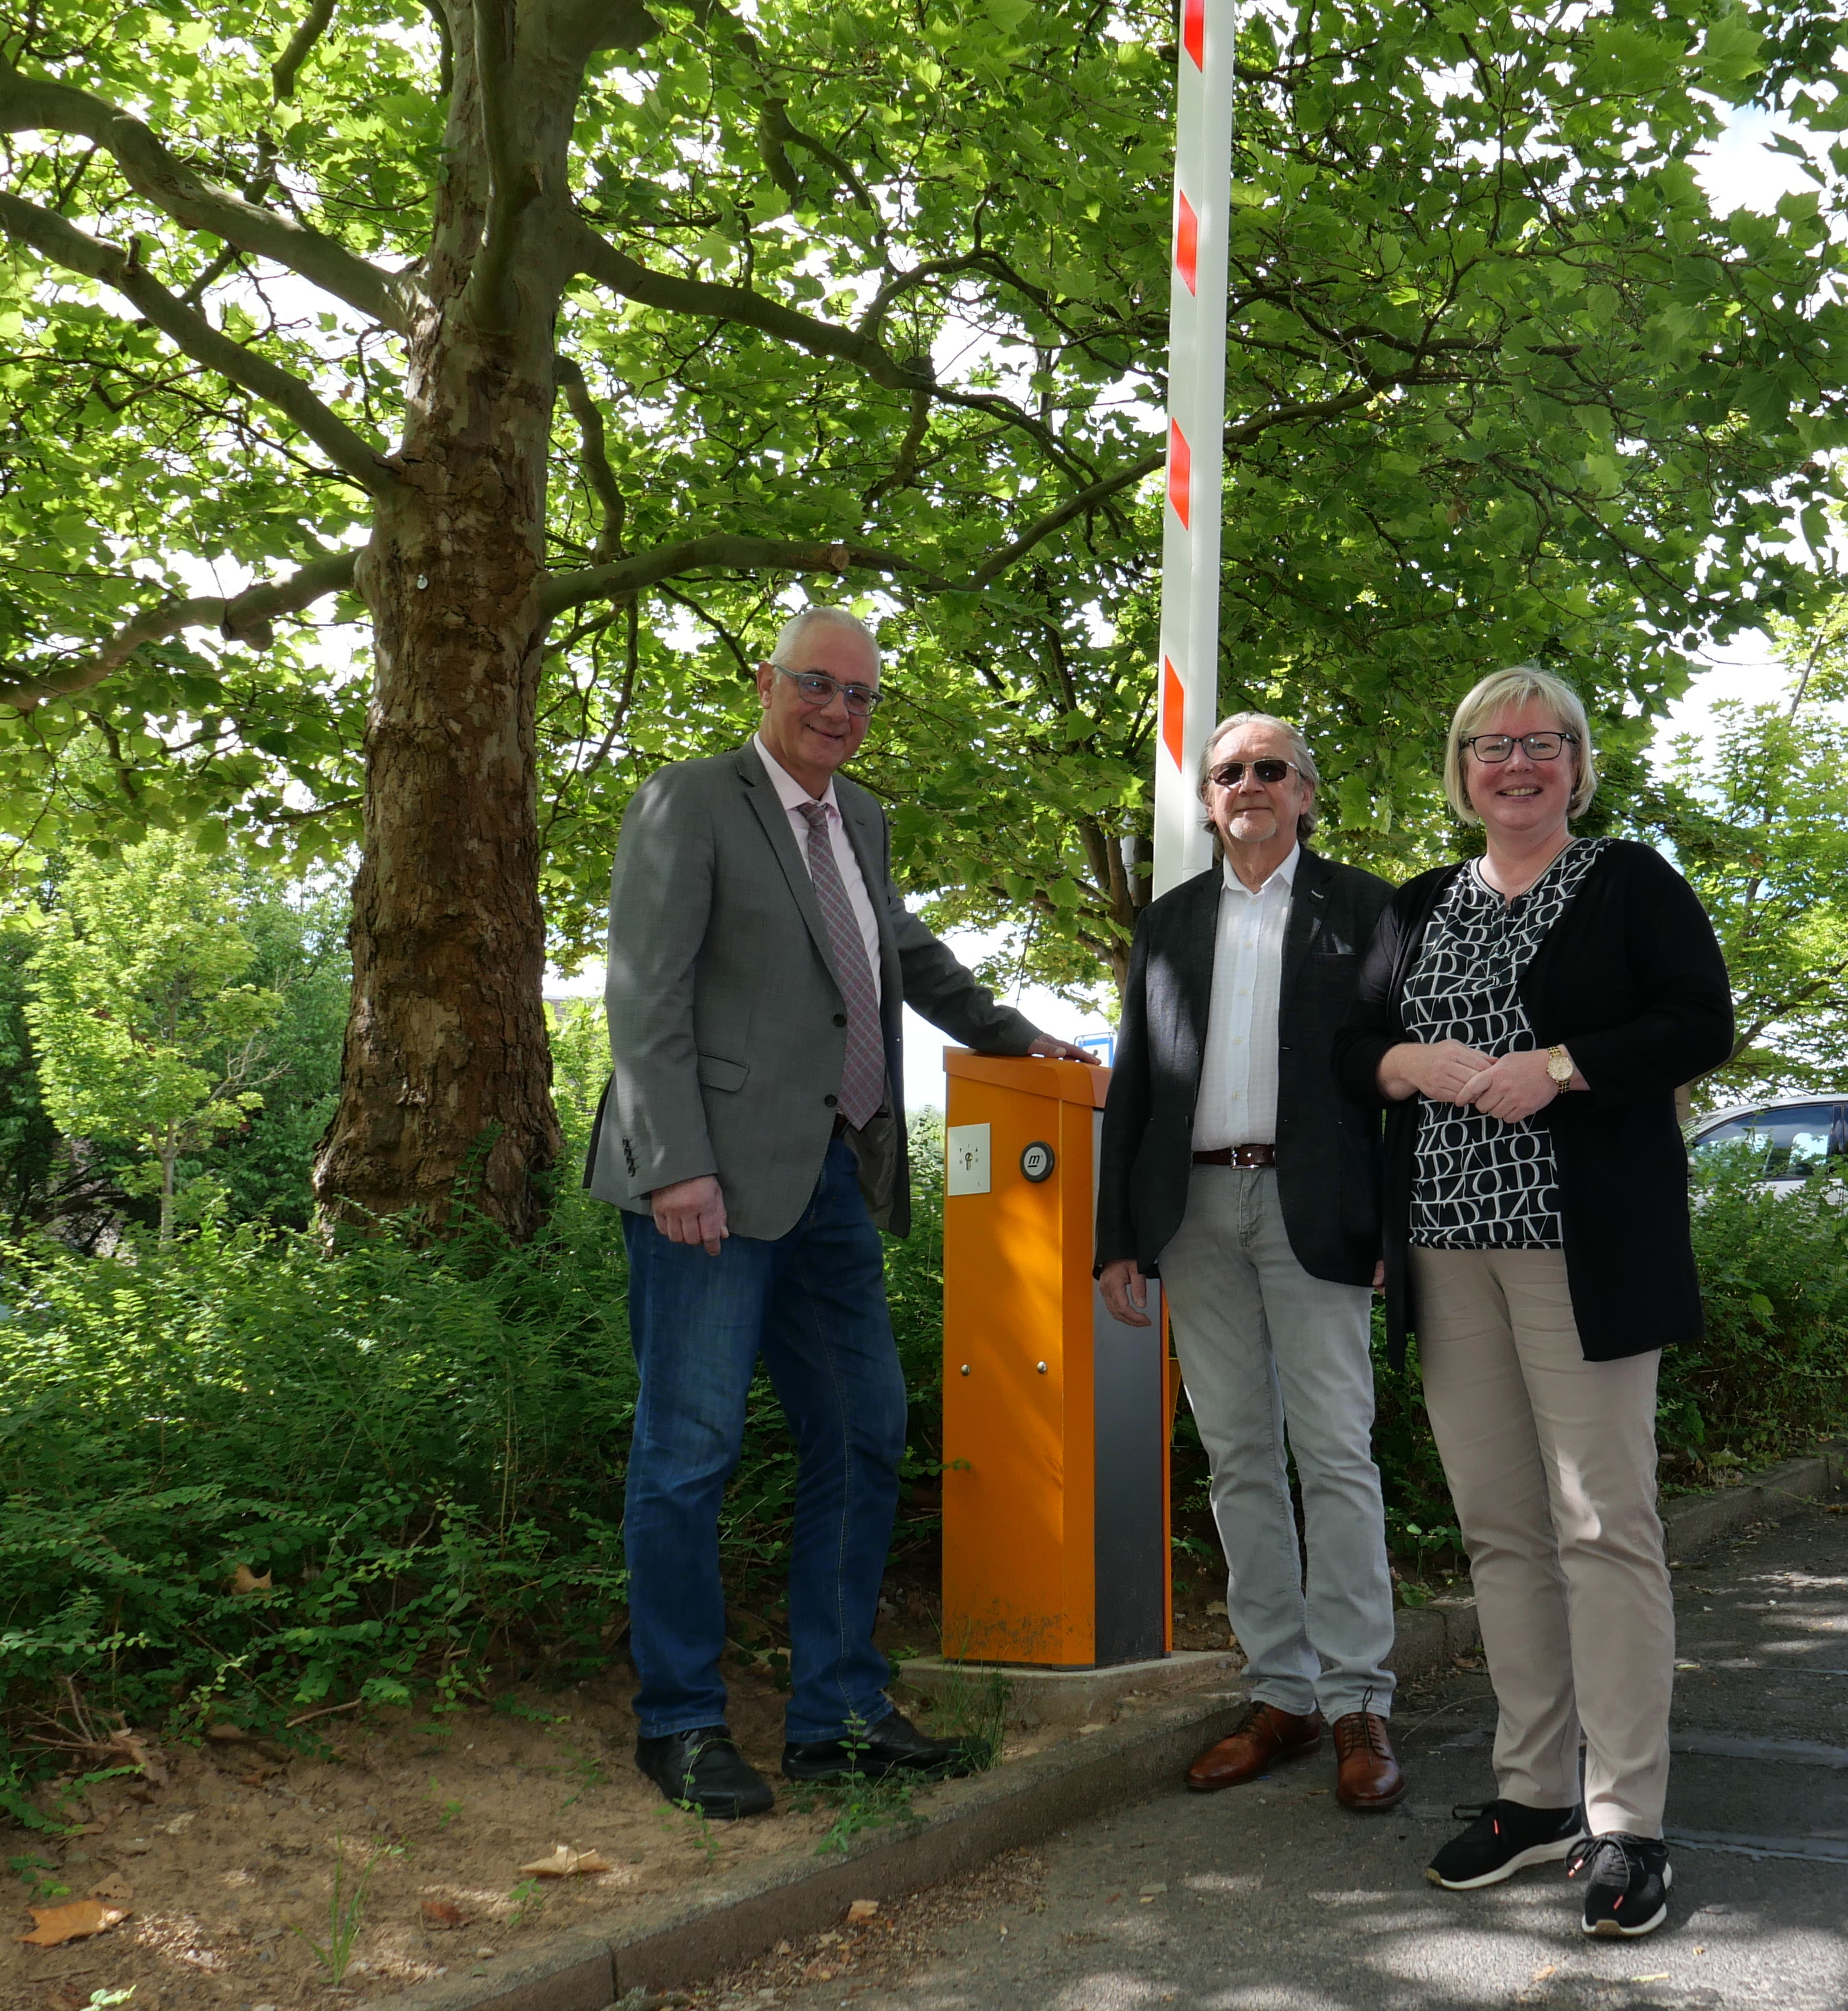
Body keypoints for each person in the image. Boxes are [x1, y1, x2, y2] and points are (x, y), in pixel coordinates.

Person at [589, 604, 1095, 1820]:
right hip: (707, 1182)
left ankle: (836, 1715)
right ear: (768, 684)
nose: (838, 710)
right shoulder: (689, 800)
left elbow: (898, 951)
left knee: (866, 1427)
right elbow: (645, 994)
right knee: (690, 1452)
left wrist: (1016, 1036)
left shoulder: (857, 818)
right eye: (817, 684)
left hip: (832, 1176)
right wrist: (675, 1165)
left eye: (860, 694)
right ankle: (679, 1722)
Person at [1335, 663, 1733, 1940]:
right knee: (1502, 1530)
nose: (1515, 764)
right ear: (1462, 771)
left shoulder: (1630, 881)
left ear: (1576, 764)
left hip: (1582, 1250)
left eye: (1540, 744)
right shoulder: (1417, 905)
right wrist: (1403, 1059)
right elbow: (1351, 1048)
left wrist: (1558, 1066)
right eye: (1490, 746)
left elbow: (1700, 1023)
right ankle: (1534, 1795)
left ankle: (1626, 1821)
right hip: (1444, 1249)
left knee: (1603, 1526)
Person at [1096, 714, 1406, 1809]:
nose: (1249, 786)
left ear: (1306, 793)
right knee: (1237, 1458)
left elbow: (1400, 1080)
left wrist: (1396, 1225)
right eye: (1228, 773)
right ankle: (1282, 1692)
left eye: (1271, 769)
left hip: (1316, 1210)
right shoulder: (1169, 920)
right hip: (1192, 1211)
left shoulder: (1366, 909)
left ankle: (1358, 1698)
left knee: (1335, 1452)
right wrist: (1118, 1238)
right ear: (1208, 801)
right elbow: (1135, 1081)